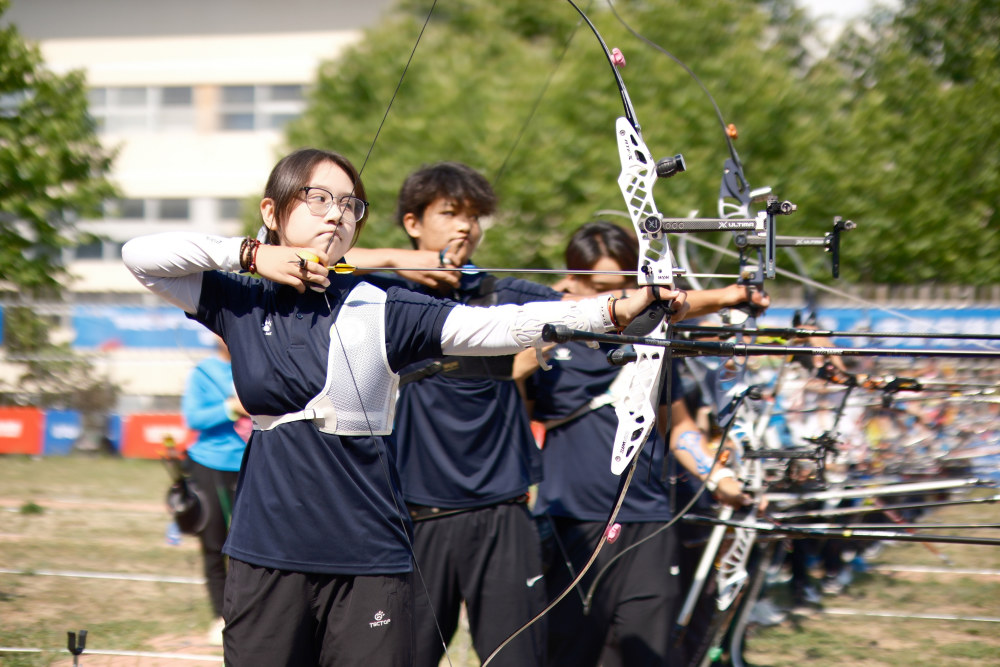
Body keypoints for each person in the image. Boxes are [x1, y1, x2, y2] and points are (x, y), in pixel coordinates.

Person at [122, 148, 676, 667]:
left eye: (349, 205)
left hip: (370, 555)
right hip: (267, 548)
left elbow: (503, 325)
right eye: (318, 198)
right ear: (273, 209)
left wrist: (613, 309)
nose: (336, 214)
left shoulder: (383, 305)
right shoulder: (240, 299)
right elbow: (140, 256)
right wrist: (250, 253)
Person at [346, 162, 567, 667]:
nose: (466, 226)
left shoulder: (504, 296)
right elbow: (299, 261)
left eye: (474, 215)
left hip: (503, 515)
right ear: (412, 222)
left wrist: (707, 296)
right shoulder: (379, 296)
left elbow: (600, 305)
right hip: (414, 520)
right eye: (450, 213)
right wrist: (395, 263)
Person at [524, 221, 762, 667]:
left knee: (644, 653)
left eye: (623, 288)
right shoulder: (542, 340)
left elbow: (680, 427)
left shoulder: (652, 339)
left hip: (648, 523)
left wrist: (719, 476)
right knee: (567, 653)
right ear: (571, 280)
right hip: (569, 522)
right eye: (597, 288)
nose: (614, 301)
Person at [180, 335, 250, 645]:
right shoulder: (203, 372)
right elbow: (193, 418)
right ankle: (219, 615)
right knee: (213, 543)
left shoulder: (254, 365)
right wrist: (231, 408)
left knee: (251, 547)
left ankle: (250, 613)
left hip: (251, 464)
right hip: (209, 465)